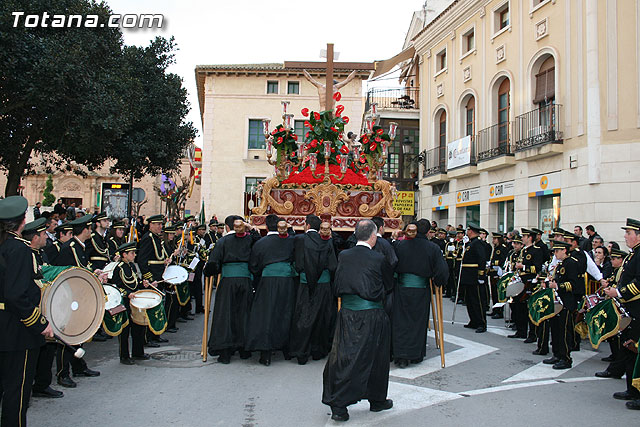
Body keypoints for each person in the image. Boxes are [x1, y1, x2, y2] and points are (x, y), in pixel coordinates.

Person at [322, 219, 394, 422]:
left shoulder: (344, 255)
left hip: (347, 313)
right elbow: (389, 284)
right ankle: (376, 399)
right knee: (376, 357)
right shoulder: (378, 258)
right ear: (373, 236)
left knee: (345, 356)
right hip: (371, 313)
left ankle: (339, 405)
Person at [0, 196, 54, 426]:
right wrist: (40, 324)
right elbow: (16, 295)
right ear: (23, 222)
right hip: (17, 330)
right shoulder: (20, 250)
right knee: (17, 391)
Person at [51, 214, 101, 387]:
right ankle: (62, 374)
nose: (91, 231)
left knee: (77, 334)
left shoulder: (79, 246)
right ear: (85, 230)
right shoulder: (70, 247)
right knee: (68, 336)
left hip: (79, 296)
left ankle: (79, 367)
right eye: (90, 228)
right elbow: (64, 273)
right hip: (70, 297)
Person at [392, 220, 448, 367]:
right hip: (421, 290)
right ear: (428, 231)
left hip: (402, 289)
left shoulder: (399, 245)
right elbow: (442, 271)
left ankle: (401, 355)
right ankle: (415, 354)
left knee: (401, 321)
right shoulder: (433, 248)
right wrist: (438, 281)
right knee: (418, 321)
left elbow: (390, 264)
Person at [22, 218, 65, 399]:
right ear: (35, 237)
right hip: (33, 311)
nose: (46, 237)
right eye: (43, 234)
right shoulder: (26, 254)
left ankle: (42, 383)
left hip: (45, 307)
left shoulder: (40, 253)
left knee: (46, 351)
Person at [246, 215, 297, 366]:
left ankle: (265, 353)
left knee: (266, 316)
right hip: (287, 281)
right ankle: (287, 349)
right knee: (286, 313)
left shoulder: (261, 243)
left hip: (267, 281)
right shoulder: (292, 241)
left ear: (266, 227)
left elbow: (254, 266)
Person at [204, 216, 255, 364]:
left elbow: (213, 263)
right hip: (245, 280)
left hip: (228, 282)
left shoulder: (222, 241)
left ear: (227, 227)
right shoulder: (250, 239)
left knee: (226, 314)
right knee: (244, 313)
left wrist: (209, 271)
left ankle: (225, 351)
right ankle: (244, 348)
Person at [289, 215, 338, 365]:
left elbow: (296, 261)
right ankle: (318, 350)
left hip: (305, 282)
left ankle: (301, 352)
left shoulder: (299, 240)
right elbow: (333, 265)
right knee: (322, 316)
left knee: (303, 315)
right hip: (323, 284)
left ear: (307, 225)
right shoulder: (327, 242)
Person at [603, 218, 640, 409]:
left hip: (637, 310)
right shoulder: (634, 255)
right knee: (628, 349)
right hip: (629, 309)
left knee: (635, 349)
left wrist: (618, 292)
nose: (625, 236)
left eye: (629, 233)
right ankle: (632, 389)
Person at [111, 242, 149, 365]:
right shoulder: (119, 268)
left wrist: (142, 284)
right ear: (124, 254)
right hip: (125, 301)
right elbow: (116, 287)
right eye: (132, 253)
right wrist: (127, 293)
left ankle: (138, 352)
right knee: (125, 330)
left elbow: (135, 282)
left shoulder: (132, 266)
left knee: (138, 326)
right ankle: (124, 356)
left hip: (134, 300)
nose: (134, 255)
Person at [543, 240, 579, 369]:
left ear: (564, 250)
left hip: (566, 302)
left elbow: (574, 284)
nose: (555, 253)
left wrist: (558, 286)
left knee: (564, 331)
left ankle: (566, 358)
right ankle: (557, 354)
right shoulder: (560, 264)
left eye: (557, 251)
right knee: (555, 329)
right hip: (557, 301)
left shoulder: (571, 263)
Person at [136, 215, 170, 346]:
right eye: (157, 224)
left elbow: (158, 257)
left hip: (158, 276)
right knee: (150, 308)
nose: (160, 227)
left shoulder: (156, 238)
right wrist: (149, 278)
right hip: (152, 278)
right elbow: (142, 260)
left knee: (158, 308)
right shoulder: (148, 238)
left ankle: (155, 334)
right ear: (150, 225)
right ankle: (147, 337)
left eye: (161, 224)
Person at [595, 248, 628, 379]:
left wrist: (613, 289)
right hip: (615, 306)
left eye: (615, 259)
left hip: (621, 307)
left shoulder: (622, 271)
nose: (612, 261)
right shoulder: (616, 271)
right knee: (615, 338)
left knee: (620, 339)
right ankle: (616, 363)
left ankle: (616, 368)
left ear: (621, 260)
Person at [510, 229, 543, 341]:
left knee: (528, 308)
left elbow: (537, 268)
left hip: (529, 282)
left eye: (524, 236)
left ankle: (532, 334)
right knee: (519, 307)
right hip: (520, 280)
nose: (522, 238)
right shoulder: (523, 250)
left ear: (530, 238)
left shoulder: (536, 250)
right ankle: (521, 330)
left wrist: (523, 267)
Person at [460, 224, 489, 333]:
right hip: (468, 276)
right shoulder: (470, 243)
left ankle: (481, 323)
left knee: (477, 300)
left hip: (474, 276)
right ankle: (473, 320)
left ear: (471, 231)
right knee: (470, 300)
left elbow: (481, 259)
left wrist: (481, 275)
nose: (467, 232)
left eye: (468, 230)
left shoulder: (478, 243)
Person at [489, 232, 509, 319]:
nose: (493, 240)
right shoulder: (496, 248)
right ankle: (495, 309)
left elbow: (503, 260)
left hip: (498, 273)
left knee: (498, 293)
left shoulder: (502, 248)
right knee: (493, 292)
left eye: (494, 239)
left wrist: (493, 263)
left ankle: (499, 311)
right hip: (493, 272)